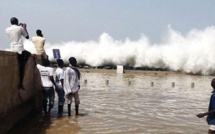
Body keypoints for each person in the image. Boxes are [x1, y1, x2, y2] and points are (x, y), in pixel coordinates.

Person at [5, 17, 31, 90]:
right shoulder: (20, 28)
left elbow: (15, 32)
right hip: (19, 49)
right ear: (17, 21)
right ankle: (20, 84)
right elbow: (27, 36)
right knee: (23, 65)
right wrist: (24, 28)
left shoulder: (7, 29)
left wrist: (20, 27)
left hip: (12, 48)